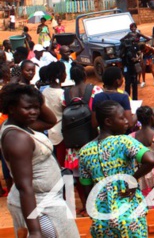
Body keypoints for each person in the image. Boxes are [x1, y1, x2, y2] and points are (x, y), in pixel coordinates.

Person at [0, 83, 79, 238]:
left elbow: (51, 121)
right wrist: (35, 231)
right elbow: (25, 187)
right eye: (27, 108)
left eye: (36, 107)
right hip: (41, 208)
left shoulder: (22, 124)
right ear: (11, 108)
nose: (34, 112)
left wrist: (33, 95)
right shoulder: (17, 138)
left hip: (47, 202)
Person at [79, 100, 154, 237]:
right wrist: (132, 179)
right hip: (128, 216)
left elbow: (86, 188)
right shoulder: (123, 141)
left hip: (101, 220)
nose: (127, 121)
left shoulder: (84, 151)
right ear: (108, 122)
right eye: (122, 118)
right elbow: (151, 159)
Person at [63, 64, 102, 214]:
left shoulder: (65, 94)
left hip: (74, 141)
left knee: (79, 176)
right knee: (94, 173)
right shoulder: (95, 90)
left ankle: (86, 205)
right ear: (85, 76)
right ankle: (97, 205)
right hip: (92, 137)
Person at [41, 62, 68, 167]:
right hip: (61, 132)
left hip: (50, 132)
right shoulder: (62, 94)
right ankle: (67, 182)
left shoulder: (44, 92)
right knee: (63, 163)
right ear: (61, 75)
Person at [120, 35, 141, 101]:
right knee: (128, 83)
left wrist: (137, 58)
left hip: (133, 67)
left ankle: (134, 99)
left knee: (133, 83)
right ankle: (128, 99)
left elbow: (140, 54)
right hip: (127, 67)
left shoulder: (135, 46)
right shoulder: (123, 49)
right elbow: (122, 56)